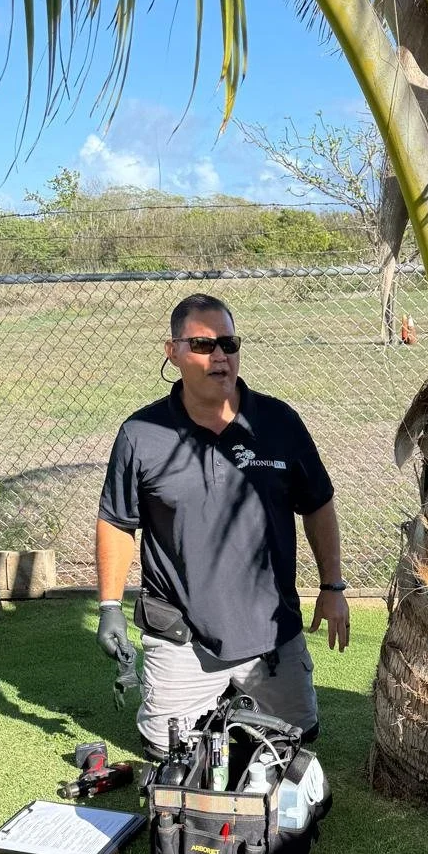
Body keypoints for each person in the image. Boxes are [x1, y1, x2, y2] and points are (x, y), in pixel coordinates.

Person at [95, 293, 350, 755]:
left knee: (295, 741)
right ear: (171, 352)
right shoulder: (141, 434)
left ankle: (238, 695)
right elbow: (116, 521)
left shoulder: (278, 422)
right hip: (181, 630)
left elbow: (318, 504)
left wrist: (333, 588)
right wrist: (110, 606)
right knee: (165, 751)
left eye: (229, 344)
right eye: (202, 344)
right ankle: (213, 694)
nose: (219, 356)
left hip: (270, 629)